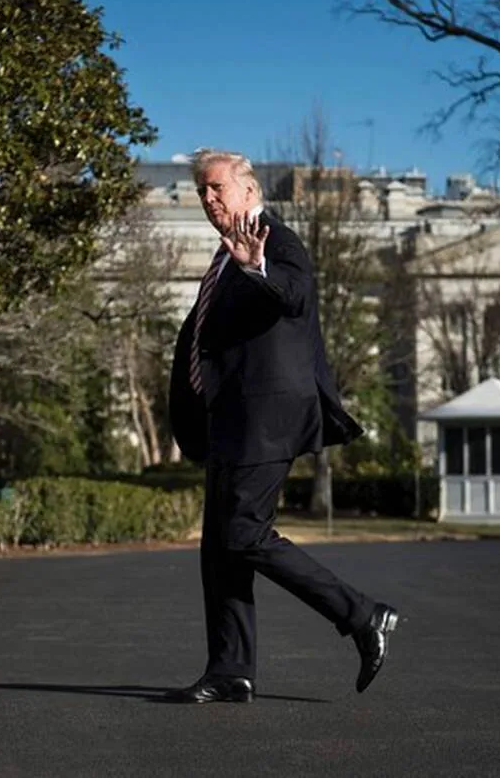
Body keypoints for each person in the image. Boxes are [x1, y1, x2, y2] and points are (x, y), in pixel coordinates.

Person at [163, 149, 398, 704]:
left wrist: (255, 267)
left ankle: (362, 615)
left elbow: (291, 294)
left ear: (249, 190)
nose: (208, 199)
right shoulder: (224, 255)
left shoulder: (276, 241)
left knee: (244, 533)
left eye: (217, 188)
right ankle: (230, 670)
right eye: (201, 191)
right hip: (229, 421)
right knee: (220, 549)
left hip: (265, 418)